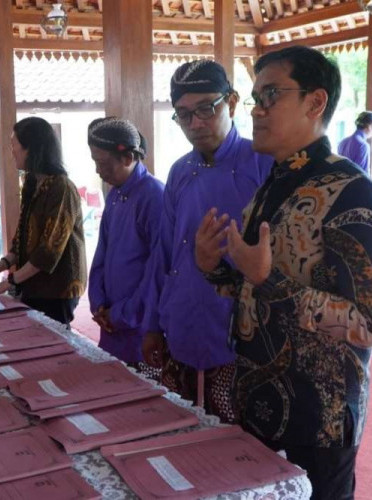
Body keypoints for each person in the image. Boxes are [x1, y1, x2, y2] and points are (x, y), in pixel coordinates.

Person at [196, 46, 372, 500]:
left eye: (271, 94)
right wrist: (214, 269)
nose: (256, 109)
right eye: (255, 96)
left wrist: (266, 279)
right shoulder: (273, 185)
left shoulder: (352, 191)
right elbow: (252, 292)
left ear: (315, 102)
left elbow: (365, 325)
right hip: (258, 401)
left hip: (319, 417)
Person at [140, 60, 272, 422]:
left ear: (231, 103)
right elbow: (163, 254)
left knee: (235, 448)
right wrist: (152, 324)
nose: (195, 124)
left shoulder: (263, 164)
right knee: (178, 434)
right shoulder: (180, 171)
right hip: (180, 323)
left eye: (205, 109)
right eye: (183, 114)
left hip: (237, 335)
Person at [0, 117, 87, 325]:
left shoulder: (61, 187)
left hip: (58, 287)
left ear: (31, 149)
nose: (12, 152)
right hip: (32, 282)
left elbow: (48, 250)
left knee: (52, 341)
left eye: (14, 146)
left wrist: (6, 283)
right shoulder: (31, 182)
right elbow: (21, 240)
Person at [87, 118, 164, 369]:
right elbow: (101, 254)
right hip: (110, 323)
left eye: (104, 163)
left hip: (137, 329)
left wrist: (121, 314)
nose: (99, 171)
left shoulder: (154, 197)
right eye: (95, 163)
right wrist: (98, 303)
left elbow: (156, 271)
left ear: (128, 157)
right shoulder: (115, 195)